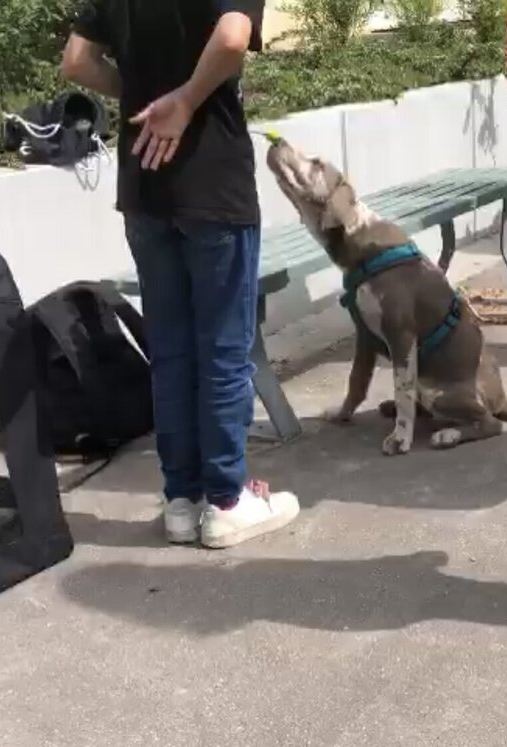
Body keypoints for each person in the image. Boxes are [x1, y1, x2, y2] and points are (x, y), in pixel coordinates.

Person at [62, 0, 300, 549]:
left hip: (144, 185)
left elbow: (77, 60)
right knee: (222, 347)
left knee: (170, 352)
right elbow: (234, 36)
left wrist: (146, 97)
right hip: (212, 182)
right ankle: (226, 500)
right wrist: (186, 99)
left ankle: (180, 500)